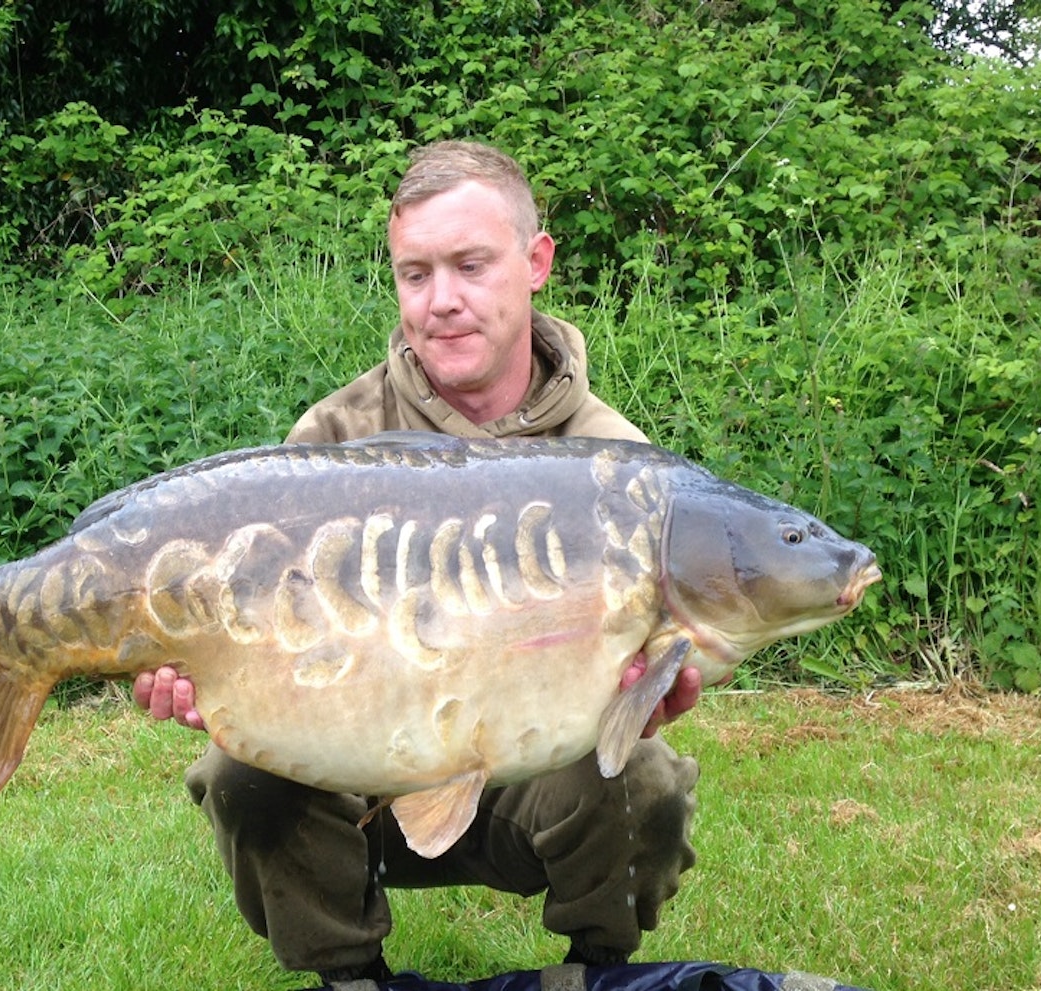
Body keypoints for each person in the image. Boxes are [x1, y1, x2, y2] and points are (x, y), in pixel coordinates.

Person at [134, 140, 704, 986]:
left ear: (536, 261)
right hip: (356, 779)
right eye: (415, 273)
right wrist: (204, 675)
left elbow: (648, 674)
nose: (442, 302)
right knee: (238, 772)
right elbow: (257, 629)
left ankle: (594, 967)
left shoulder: (615, 465)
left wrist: (648, 693)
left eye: (471, 266)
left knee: (646, 776)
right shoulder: (333, 440)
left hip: (525, 783)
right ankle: (348, 972)